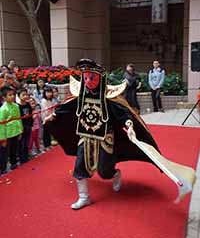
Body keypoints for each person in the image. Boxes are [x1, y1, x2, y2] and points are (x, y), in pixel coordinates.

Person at [44, 59, 195, 210]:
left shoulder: (109, 99)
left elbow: (124, 115)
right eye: (86, 77)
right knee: (79, 168)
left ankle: (115, 174)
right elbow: (67, 107)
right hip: (86, 137)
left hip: (105, 139)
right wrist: (53, 116)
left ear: (100, 79)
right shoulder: (80, 96)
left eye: (92, 77)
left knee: (105, 172)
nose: (89, 81)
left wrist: (129, 126)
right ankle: (84, 197)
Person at [0, 86, 23, 174]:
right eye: (10, 95)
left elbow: (19, 119)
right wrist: (3, 138)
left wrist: (20, 130)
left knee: (14, 149)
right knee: (4, 152)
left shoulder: (16, 106)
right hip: (7, 134)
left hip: (15, 132)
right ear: (4, 98)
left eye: (13, 95)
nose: (12, 96)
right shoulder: (2, 109)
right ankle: (3, 168)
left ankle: (14, 164)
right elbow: (1, 125)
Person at [17, 88, 33, 164]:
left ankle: (26, 157)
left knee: (27, 142)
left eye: (26, 94)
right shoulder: (17, 106)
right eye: (23, 95)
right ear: (19, 96)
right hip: (21, 127)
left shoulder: (28, 105)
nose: (25, 96)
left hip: (28, 126)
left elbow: (31, 115)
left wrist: (31, 124)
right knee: (21, 143)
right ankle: (21, 159)